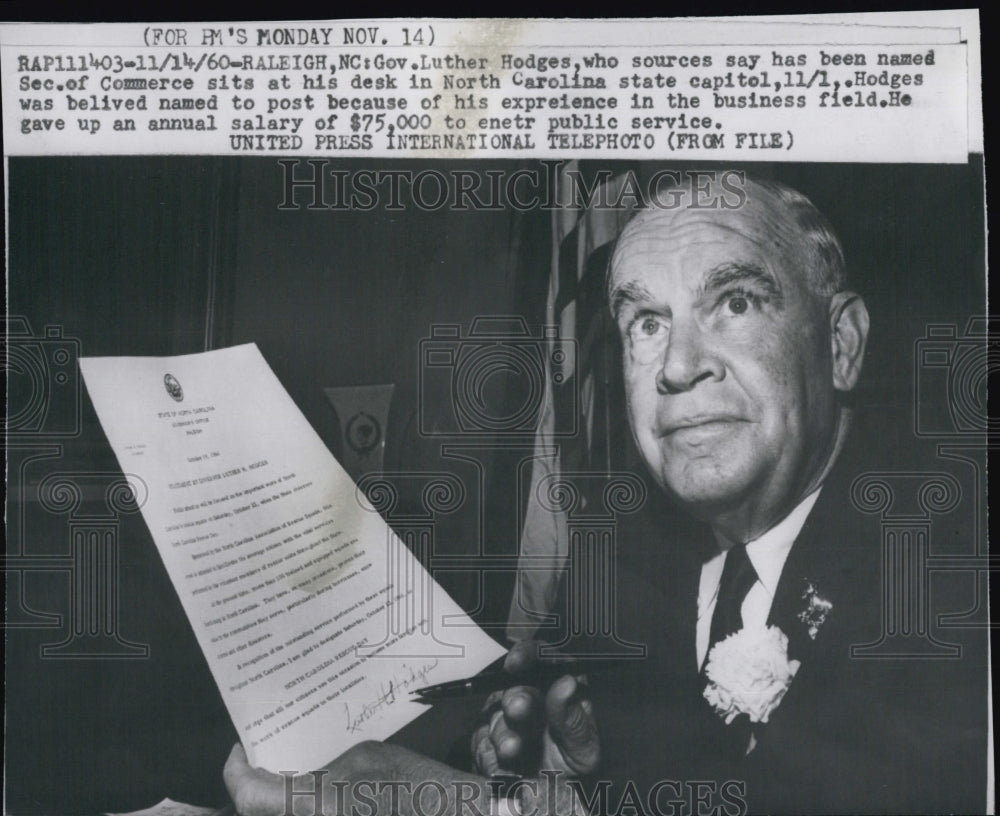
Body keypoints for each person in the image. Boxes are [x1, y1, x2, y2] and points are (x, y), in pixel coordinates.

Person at [225, 176, 987, 814]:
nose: (679, 366)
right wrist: (576, 778)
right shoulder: (622, 567)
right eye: (647, 322)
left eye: (737, 304)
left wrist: (468, 809)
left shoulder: (949, 578)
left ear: (841, 344)